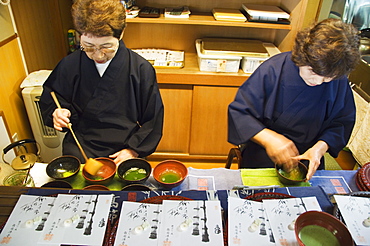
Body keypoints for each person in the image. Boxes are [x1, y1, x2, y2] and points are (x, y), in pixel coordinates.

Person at [228, 18, 361, 180]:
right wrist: (270, 139)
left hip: (310, 155)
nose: (318, 82)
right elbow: (239, 112)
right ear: (302, 55)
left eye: (327, 78)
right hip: (264, 152)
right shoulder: (273, 70)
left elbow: (341, 123)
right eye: (312, 71)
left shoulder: (338, 79)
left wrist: (319, 149)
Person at [40, 0, 164, 165]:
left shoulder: (140, 69)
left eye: (106, 47)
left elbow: (153, 118)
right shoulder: (69, 65)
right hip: (81, 145)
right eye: (89, 47)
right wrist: (58, 113)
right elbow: (52, 98)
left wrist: (133, 150)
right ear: (80, 36)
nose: (98, 55)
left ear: (121, 34)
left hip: (125, 146)